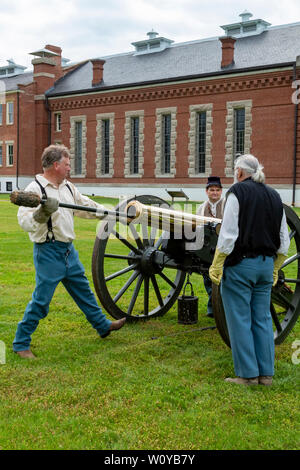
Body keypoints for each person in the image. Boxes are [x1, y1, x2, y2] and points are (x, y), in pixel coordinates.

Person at [13, 144, 126, 358]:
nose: (69, 168)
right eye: (66, 164)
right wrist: (43, 212)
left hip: (68, 251)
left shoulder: (68, 187)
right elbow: (25, 222)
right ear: (55, 165)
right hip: (48, 252)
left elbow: (83, 205)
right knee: (41, 301)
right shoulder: (35, 189)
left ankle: (102, 326)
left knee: (83, 291)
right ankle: (21, 343)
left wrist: (108, 213)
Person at [209, 154, 290, 386]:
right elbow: (284, 240)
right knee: (263, 318)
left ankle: (247, 375)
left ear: (239, 172)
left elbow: (228, 234)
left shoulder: (237, 192)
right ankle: (266, 375)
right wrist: (275, 266)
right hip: (265, 267)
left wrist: (217, 262)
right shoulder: (275, 196)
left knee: (240, 318)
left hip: (241, 266)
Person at [197, 176, 224, 317]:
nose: (215, 193)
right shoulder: (201, 208)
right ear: (206, 191)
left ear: (221, 191)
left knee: (216, 279)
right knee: (207, 278)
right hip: (207, 247)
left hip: (223, 247)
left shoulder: (227, 205)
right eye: (212, 190)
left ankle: (214, 307)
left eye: (217, 190)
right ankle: (213, 305)